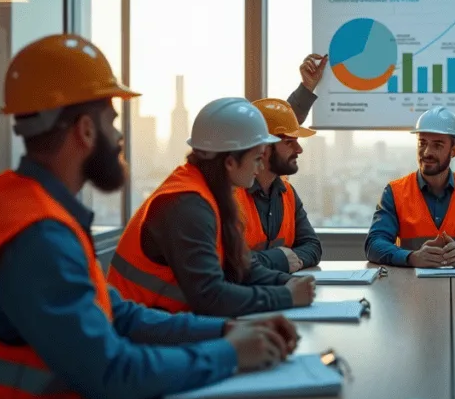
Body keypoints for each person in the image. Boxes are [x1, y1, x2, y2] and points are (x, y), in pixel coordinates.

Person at [0, 35, 298, 399]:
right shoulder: (38, 235)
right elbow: (113, 374)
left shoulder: (20, 202)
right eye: (112, 121)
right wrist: (228, 354)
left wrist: (225, 331)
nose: (119, 137)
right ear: (85, 130)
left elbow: (117, 313)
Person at [108, 97, 316, 317]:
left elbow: (240, 265)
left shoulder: (213, 194)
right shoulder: (187, 205)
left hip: (169, 324)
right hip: (138, 332)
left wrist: (290, 282)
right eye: (256, 158)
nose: (259, 166)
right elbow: (210, 296)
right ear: (230, 162)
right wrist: (286, 296)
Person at [365, 106, 455, 268]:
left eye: (437, 145)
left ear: (454, 151)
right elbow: (374, 244)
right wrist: (411, 257)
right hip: (408, 288)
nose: (427, 152)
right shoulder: (395, 192)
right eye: (422, 143)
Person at [236, 98, 322, 273]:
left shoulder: (287, 192)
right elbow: (228, 261)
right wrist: (280, 260)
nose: (299, 149)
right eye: (289, 142)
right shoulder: (230, 196)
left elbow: (312, 246)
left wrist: (282, 261)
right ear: (264, 148)